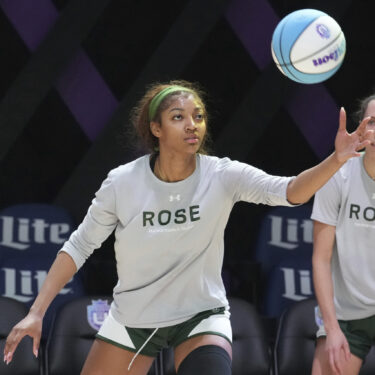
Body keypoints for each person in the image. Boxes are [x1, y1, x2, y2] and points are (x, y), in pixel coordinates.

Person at [3, 80, 373, 375]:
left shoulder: (222, 175)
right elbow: (78, 247)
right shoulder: (122, 183)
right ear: (156, 128)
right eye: (179, 116)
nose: (192, 123)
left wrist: (337, 159)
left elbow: (290, 191)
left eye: (198, 115)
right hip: (135, 318)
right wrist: (37, 311)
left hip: (201, 316)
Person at [311, 93, 375, 375]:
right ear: (362, 127)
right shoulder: (338, 174)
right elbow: (320, 260)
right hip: (346, 316)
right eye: (374, 122)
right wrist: (332, 328)